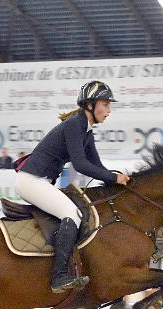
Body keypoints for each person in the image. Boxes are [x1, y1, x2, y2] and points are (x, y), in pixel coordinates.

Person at [14, 81, 130, 294]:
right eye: (105, 104)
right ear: (89, 105)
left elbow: (98, 167)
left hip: (40, 181)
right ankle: (58, 276)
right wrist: (113, 178)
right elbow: (81, 164)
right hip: (31, 180)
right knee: (72, 213)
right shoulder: (74, 125)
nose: (109, 111)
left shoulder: (86, 131)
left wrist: (119, 183)